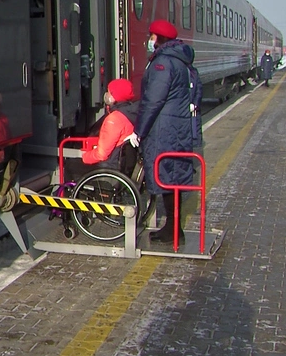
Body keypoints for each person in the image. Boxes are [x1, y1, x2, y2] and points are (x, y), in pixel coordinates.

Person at [135, 19, 202, 246]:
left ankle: (174, 231)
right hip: (177, 128)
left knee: (166, 176)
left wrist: (139, 131)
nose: (150, 41)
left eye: (152, 36)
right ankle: (173, 229)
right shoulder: (181, 61)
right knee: (173, 178)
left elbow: (153, 100)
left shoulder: (163, 64)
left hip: (164, 130)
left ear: (159, 39)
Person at [81, 78, 138, 169]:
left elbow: (101, 154)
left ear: (114, 97)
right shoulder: (131, 114)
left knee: (70, 166)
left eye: (109, 91)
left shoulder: (114, 119)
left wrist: (84, 157)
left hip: (109, 167)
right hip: (122, 166)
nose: (106, 94)